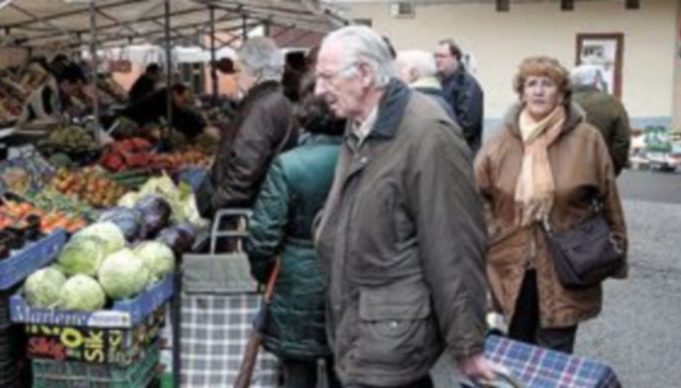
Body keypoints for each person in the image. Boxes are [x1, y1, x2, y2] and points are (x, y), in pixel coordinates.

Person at [313, 26, 494, 388]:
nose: (319, 90)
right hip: (362, 324)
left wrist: (467, 345)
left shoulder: (428, 134)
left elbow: (454, 246)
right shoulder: (362, 125)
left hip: (392, 337)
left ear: (364, 74)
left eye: (327, 77)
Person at [474, 56, 628, 354]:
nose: (539, 91)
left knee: (555, 352)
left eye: (548, 84)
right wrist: (492, 232)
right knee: (517, 349)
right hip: (511, 262)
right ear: (521, 93)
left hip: (567, 262)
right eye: (532, 84)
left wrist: (616, 248)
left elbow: (609, 196)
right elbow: (476, 195)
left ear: (562, 93)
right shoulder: (501, 141)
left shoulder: (587, 139)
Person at [245, 76, 344, 388]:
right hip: (348, 276)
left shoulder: (288, 165)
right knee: (344, 368)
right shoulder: (364, 160)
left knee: (297, 373)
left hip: (295, 279)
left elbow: (262, 237)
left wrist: (266, 273)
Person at [199, 37, 296, 219]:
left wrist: (214, 205)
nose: (235, 76)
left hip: (248, 212)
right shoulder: (274, 100)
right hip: (261, 206)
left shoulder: (262, 107)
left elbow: (245, 171)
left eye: (239, 69)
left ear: (256, 72)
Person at [571, 64, 632, 176]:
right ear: (596, 80)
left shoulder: (559, 102)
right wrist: (613, 169)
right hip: (599, 169)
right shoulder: (612, 103)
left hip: (564, 170)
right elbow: (622, 141)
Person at [436, 39, 484, 154]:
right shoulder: (439, 82)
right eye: (436, 56)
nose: (437, 60)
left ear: (455, 57)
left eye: (442, 56)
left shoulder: (468, 85)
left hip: (461, 153)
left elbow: (467, 127)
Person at [120, 82, 207, 138]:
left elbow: (182, 114)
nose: (184, 105)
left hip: (136, 122)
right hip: (127, 122)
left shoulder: (165, 95)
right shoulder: (165, 99)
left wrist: (200, 124)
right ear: (175, 93)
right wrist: (201, 127)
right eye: (184, 101)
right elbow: (178, 117)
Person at [396, 50, 456, 120]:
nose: (395, 75)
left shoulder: (410, 106)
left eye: (398, 69)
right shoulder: (442, 103)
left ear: (412, 74)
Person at [21, 63, 85, 123]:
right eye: (74, 89)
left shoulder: (60, 92)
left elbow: (72, 106)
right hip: (29, 128)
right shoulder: (46, 92)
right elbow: (46, 118)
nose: (74, 93)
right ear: (66, 82)